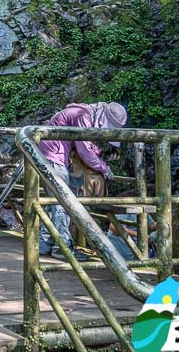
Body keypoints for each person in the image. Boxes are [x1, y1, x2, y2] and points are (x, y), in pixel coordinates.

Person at [37, 101, 128, 261]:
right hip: (54, 159)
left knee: (54, 203)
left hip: (49, 156)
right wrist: (104, 168)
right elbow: (84, 150)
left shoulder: (83, 112)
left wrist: (99, 154)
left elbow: (86, 145)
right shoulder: (83, 116)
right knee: (62, 204)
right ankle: (63, 248)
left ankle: (45, 245)